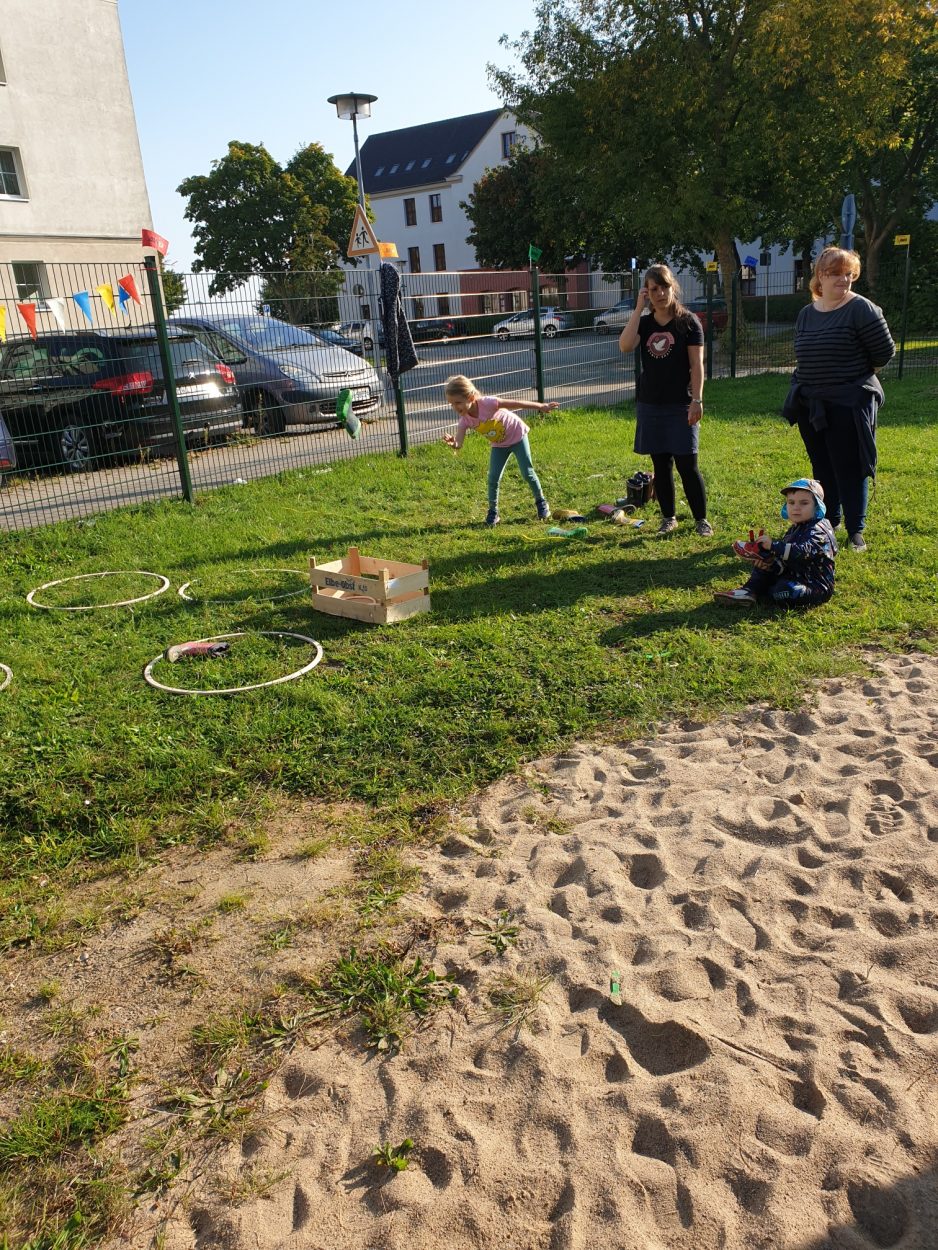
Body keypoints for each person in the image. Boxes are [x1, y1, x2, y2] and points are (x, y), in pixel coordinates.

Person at [784, 246, 895, 553]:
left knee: (850, 466)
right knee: (822, 465)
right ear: (820, 275)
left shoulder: (862, 309)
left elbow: (884, 353)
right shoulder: (807, 313)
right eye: (836, 273)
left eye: (849, 274)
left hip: (849, 402)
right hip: (811, 404)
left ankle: (856, 530)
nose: (843, 279)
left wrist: (854, 377)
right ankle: (829, 522)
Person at [618, 263, 713, 537]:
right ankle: (668, 518)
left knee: (687, 465)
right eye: (653, 289)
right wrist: (638, 308)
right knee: (661, 465)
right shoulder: (645, 323)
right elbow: (625, 346)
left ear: (673, 287)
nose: (660, 293)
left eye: (664, 287)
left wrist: (697, 400)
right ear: (647, 293)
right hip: (650, 404)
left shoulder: (688, 322)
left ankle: (701, 520)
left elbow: (697, 365)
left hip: (681, 404)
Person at [442, 375, 556, 527]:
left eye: (458, 403)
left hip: (517, 436)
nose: (455, 408)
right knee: (493, 477)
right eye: (451, 404)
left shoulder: (487, 403)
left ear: (471, 397)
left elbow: (515, 403)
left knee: (527, 472)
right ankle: (493, 512)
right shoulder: (465, 420)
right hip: (499, 445)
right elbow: (459, 444)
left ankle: (541, 502)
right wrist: (453, 444)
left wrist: (541, 406)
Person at [713, 478, 837, 608]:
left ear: (817, 506)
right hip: (794, 576)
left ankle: (763, 591)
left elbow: (802, 552)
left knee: (785, 590)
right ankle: (748, 591)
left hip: (815, 587)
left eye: (804, 503)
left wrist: (773, 546)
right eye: (791, 502)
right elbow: (786, 561)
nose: (796, 508)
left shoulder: (819, 530)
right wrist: (770, 563)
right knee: (767, 567)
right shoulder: (794, 529)